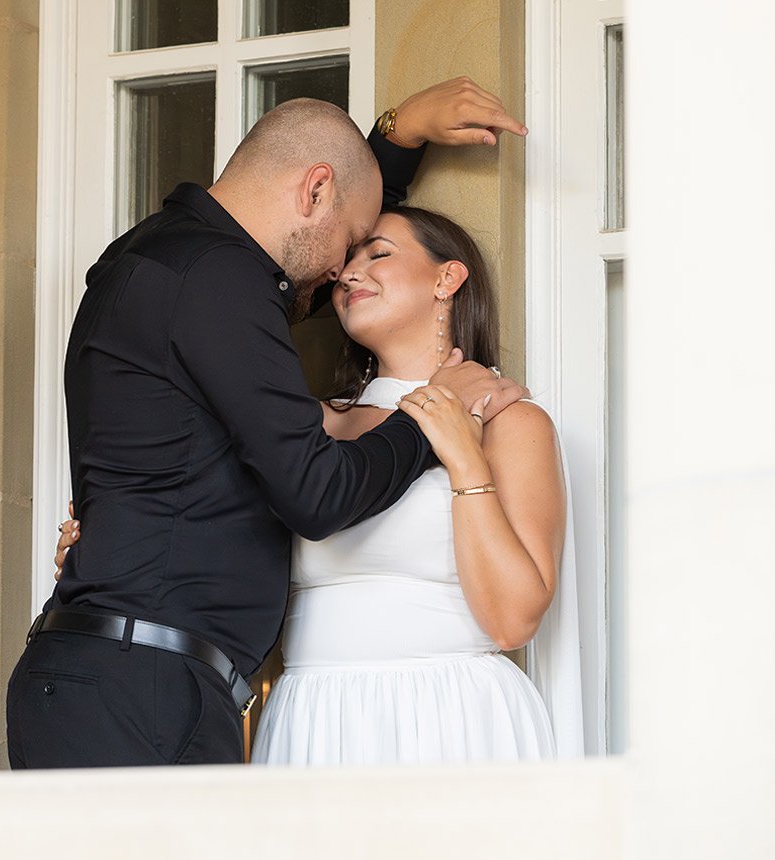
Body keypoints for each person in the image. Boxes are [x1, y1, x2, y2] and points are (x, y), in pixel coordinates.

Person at [7, 80, 530, 769]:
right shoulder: (214, 279)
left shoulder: (172, 260)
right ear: (312, 191)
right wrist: (435, 410)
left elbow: (324, 246)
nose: (344, 272)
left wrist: (394, 139)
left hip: (114, 674)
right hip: (139, 688)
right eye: (350, 242)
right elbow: (316, 496)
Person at [56, 206, 583, 765]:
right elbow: (195, 525)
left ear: (446, 279)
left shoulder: (510, 422)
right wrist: (104, 550)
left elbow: (514, 620)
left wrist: (461, 454)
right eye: (346, 261)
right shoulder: (310, 428)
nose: (350, 273)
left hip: (452, 717)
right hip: (312, 722)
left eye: (377, 253)